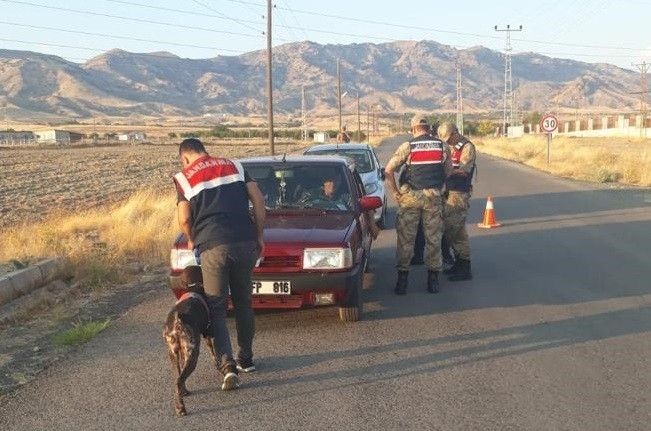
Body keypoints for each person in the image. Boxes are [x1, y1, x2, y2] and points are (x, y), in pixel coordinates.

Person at [173, 138, 266, 391]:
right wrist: (259, 235)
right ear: (205, 150)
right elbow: (258, 200)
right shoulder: (235, 165)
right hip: (245, 241)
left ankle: (227, 367)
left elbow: (184, 218)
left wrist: (192, 239)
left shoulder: (183, 178)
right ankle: (246, 358)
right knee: (244, 301)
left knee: (216, 308)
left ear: (185, 158)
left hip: (213, 246)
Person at [385, 116, 452, 294]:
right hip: (433, 196)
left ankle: (402, 282)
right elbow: (448, 172)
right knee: (434, 238)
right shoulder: (442, 146)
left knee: (406, 239)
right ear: (428, 128)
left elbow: (388, 170)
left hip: (410, 197)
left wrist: (395, 193)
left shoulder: (408, 146)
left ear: (414, 128)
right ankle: (433, 281)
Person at [438, 122, 476, 281]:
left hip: (459, 192)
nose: (447, 142)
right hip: (448, 191)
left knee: (456, 230)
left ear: (455, 132)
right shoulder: (448, 147)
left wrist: (445, 171)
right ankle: (458, 263)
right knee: (450, 229)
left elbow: (463, 170)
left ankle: (464, 266)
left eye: (448, 138)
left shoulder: (467, 147)